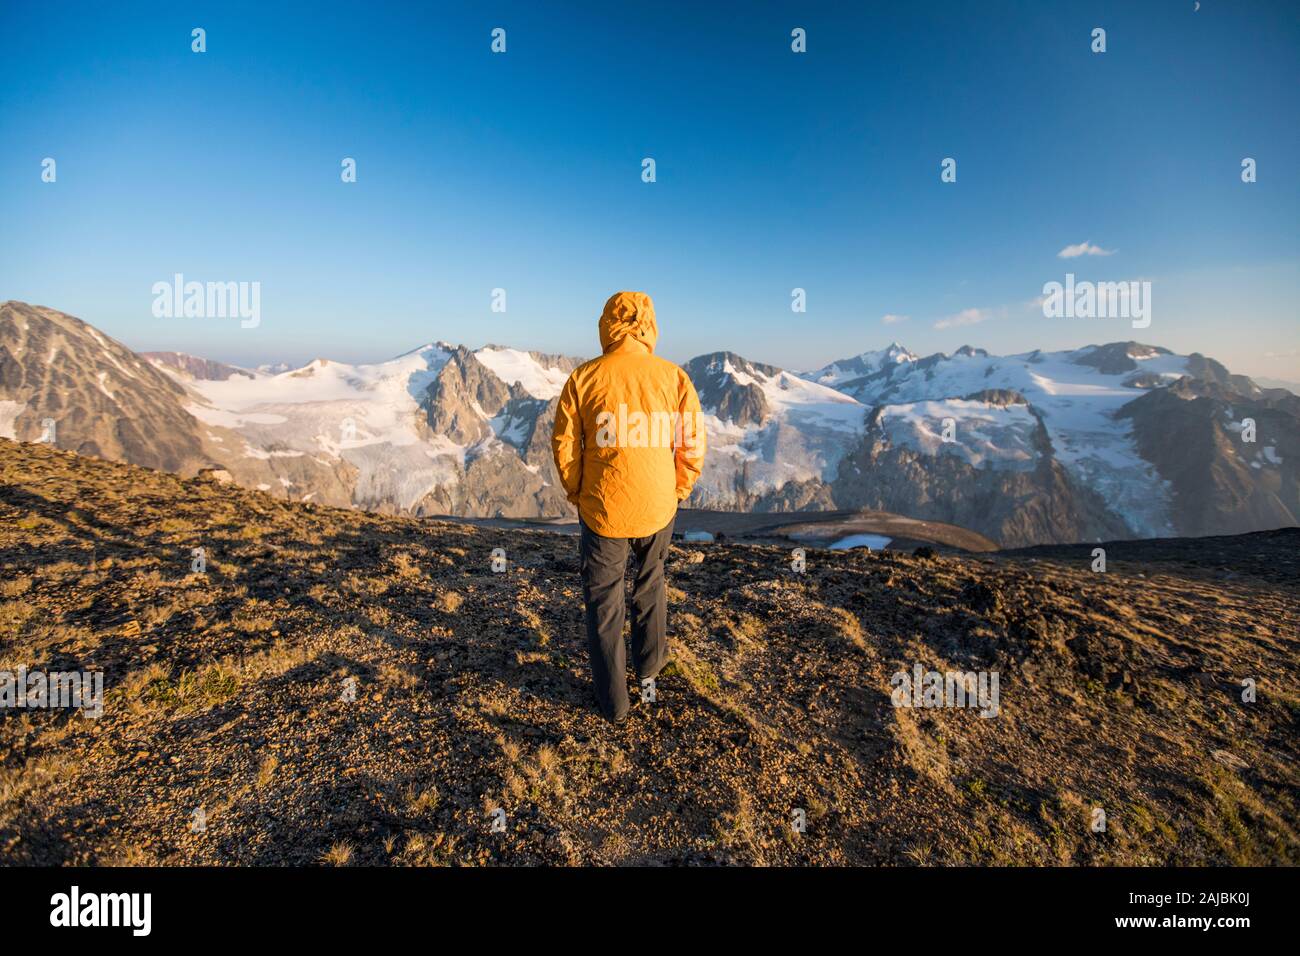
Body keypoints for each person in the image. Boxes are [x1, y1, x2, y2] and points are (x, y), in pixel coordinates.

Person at [551, 291, 706, 722]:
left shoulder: (584, 378)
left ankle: (614, 704)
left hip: (603, 509)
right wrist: (677, 489)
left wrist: (579, 492)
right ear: (649, 325)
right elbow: (691, 443)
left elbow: (564, 445)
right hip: (658, 507)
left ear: (606, 324)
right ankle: (651, 671)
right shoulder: (673, 378)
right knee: (651, 584)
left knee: (604, 603)